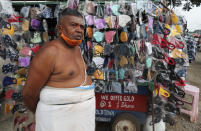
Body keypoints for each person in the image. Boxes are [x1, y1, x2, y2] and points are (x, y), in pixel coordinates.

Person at [22, 8, 95, 131]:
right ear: (60, 28)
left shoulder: (78, 50)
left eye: (82, 27)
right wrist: (44, 112)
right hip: (56, 120)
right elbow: (28, 94)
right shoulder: (49, 52)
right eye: (73, 25)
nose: (79, 30)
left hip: (83, 118)